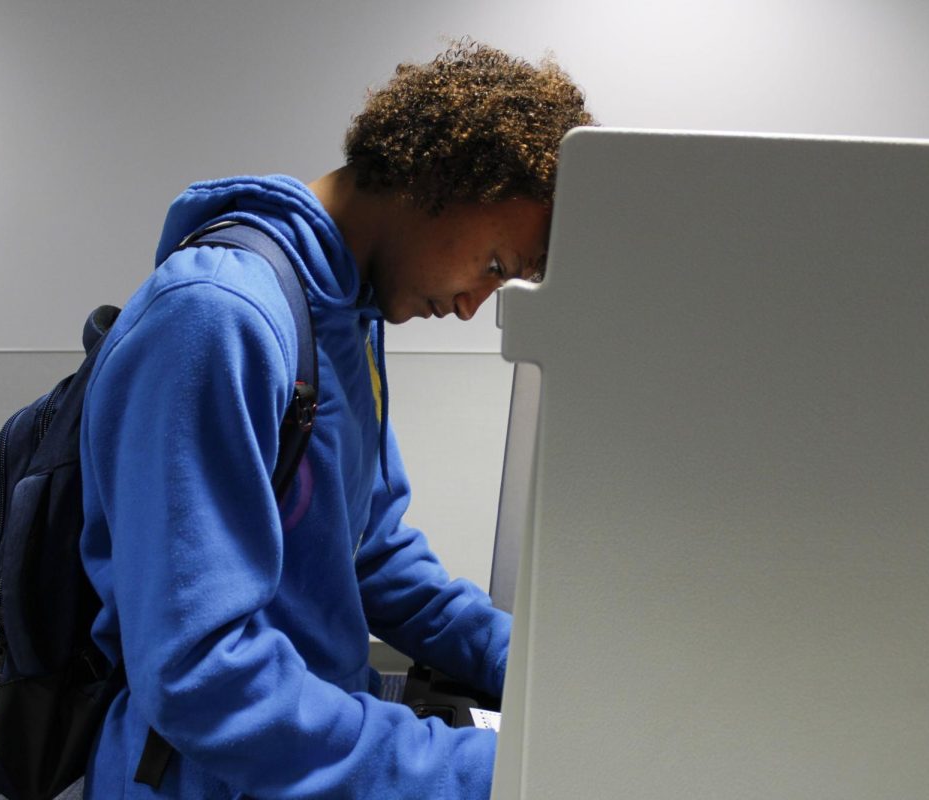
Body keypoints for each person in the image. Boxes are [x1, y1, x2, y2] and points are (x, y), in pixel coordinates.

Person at [79, 39, 593, 799]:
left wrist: (540, 666)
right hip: (203, 777)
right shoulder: (218, 318)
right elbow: (199, 673)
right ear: (438, 180)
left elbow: (371, 552)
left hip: (304, 758)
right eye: (492, 265)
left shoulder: (347, 317)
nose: (470, 307)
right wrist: (484, 771)